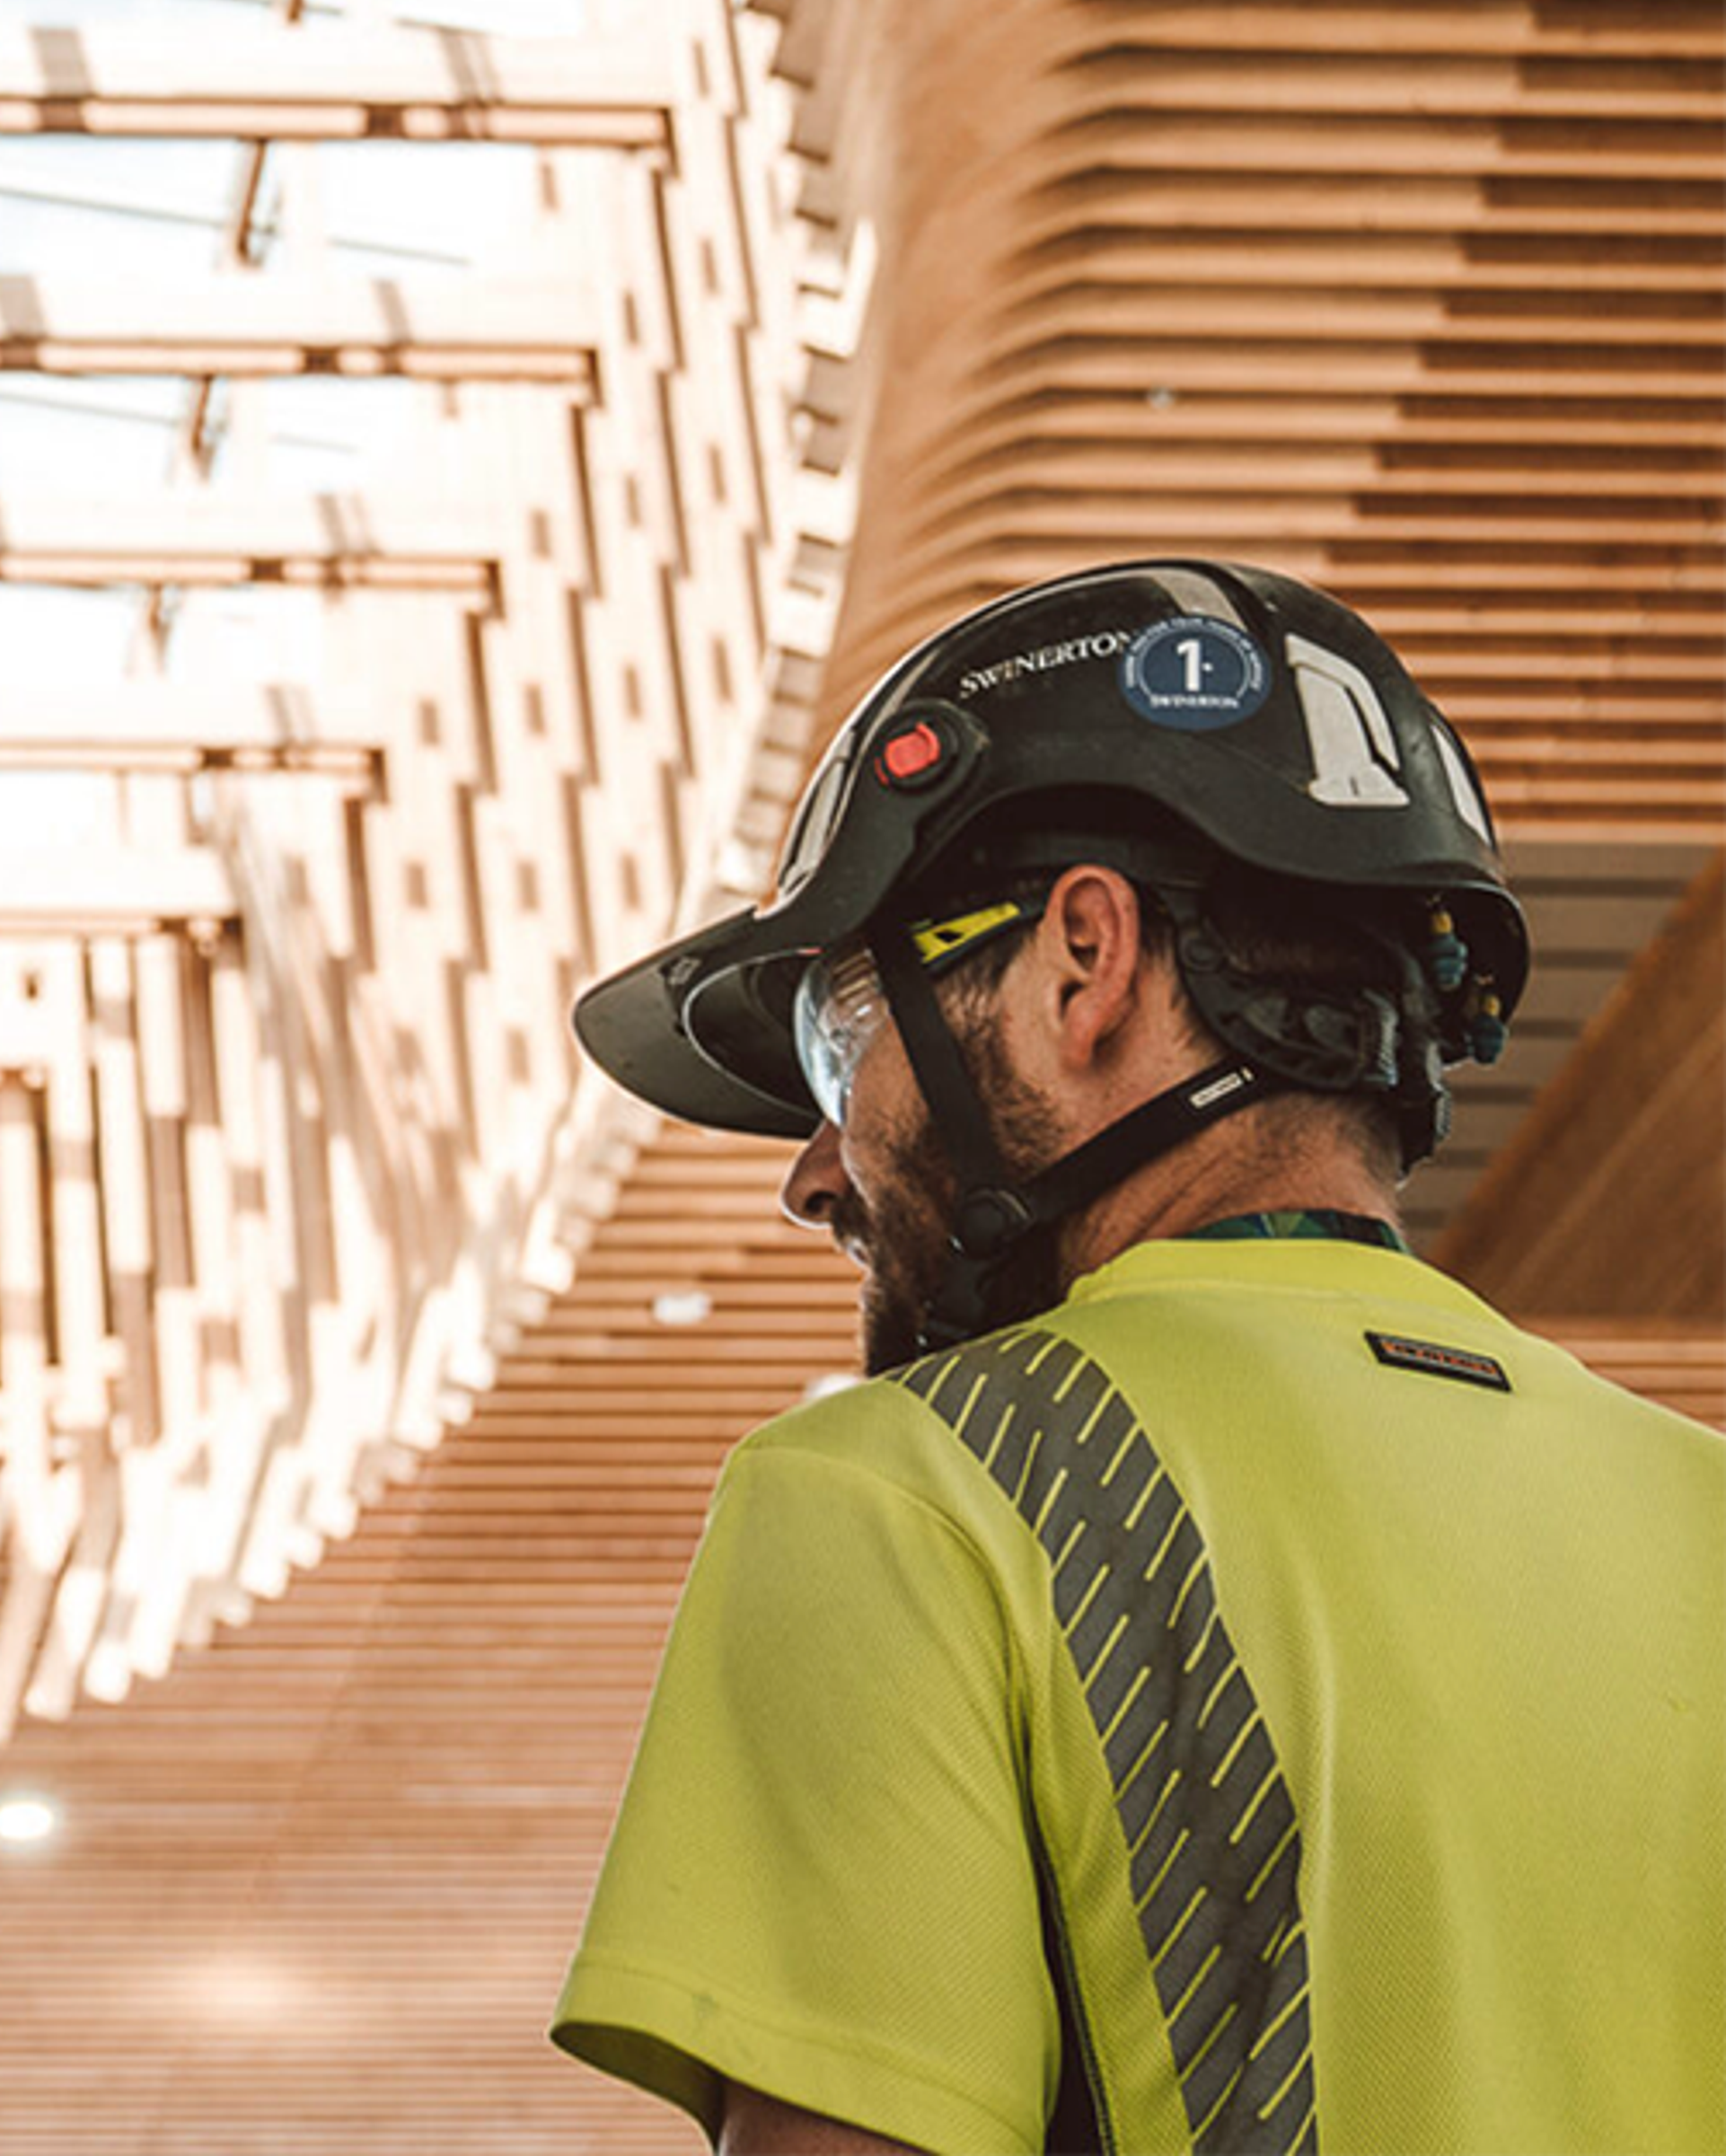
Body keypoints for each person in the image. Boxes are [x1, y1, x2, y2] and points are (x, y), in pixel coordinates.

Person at [548, 558, 1726, 2156]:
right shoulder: (1700, 1511)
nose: (815, 1170)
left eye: (843, 1036)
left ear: (1082, 962)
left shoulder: (915, 1497)